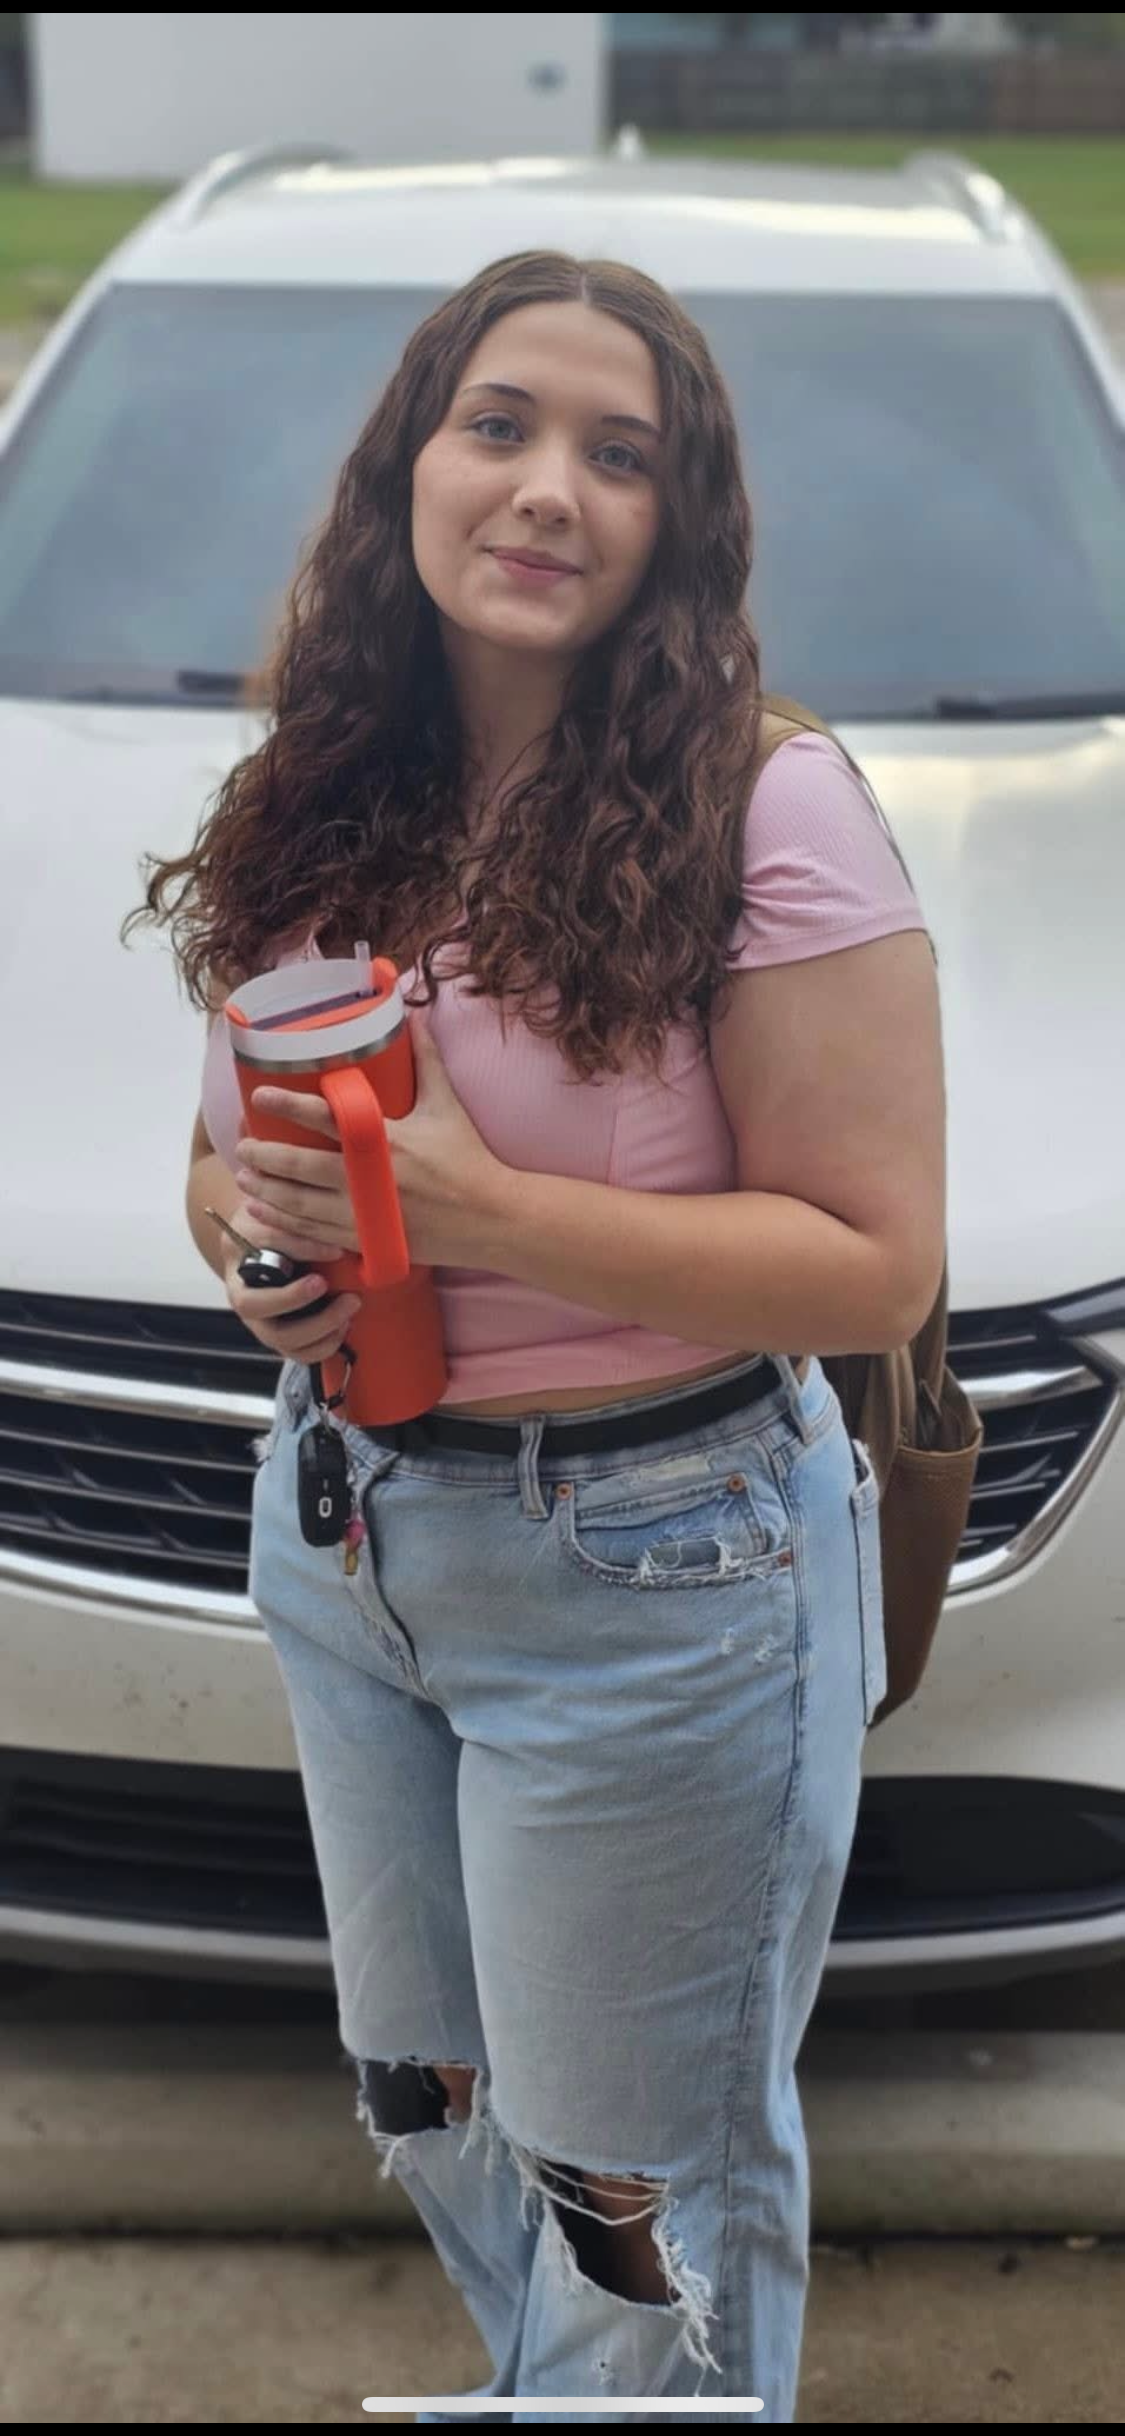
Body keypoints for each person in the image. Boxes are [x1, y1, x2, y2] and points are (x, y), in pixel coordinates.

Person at [130, 251, 944, 2419]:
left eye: (620, 454)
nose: (548, 488)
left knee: (633, 2209)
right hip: (350, 1537)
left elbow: (874, 1266)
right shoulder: (321, 779)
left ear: (683, 521)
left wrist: (485, 1212)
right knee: (435, 2107)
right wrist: (255, 1247)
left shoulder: (766, 804)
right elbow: (213, 1157)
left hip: (655, 1571)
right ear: (410, 462)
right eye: (498, 426)